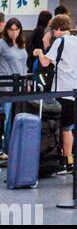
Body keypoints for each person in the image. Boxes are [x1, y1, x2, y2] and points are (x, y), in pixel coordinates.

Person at [34, 14, 77, 173]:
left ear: (57, 28)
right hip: (73, 91)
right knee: (67, 128)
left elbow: (45, 63)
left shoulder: (59, 41)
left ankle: (58, 161)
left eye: (53, 30)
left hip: (60, 90)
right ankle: (68, 161)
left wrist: (39, 52)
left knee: (57, 127)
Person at [0, 17, 27, 156]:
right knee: (5, 118)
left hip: (19, 86)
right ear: (7, 30)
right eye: (11, 29)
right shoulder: (2, 44)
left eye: (17, 29)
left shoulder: (21, 44)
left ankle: (9, 148)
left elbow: (23, 65)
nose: (14, 32)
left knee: (14, 119)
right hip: (5, 87)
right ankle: (3, 149)